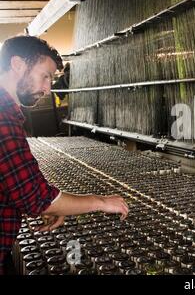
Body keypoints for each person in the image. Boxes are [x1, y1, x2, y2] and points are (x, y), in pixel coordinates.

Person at [0, 36, 129, 275]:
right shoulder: (3, 118)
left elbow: (19, 188)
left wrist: (52, 208)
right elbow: (36, 198)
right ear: (17, 65)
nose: (48, 87)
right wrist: (99, 202)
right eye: (45, 76)